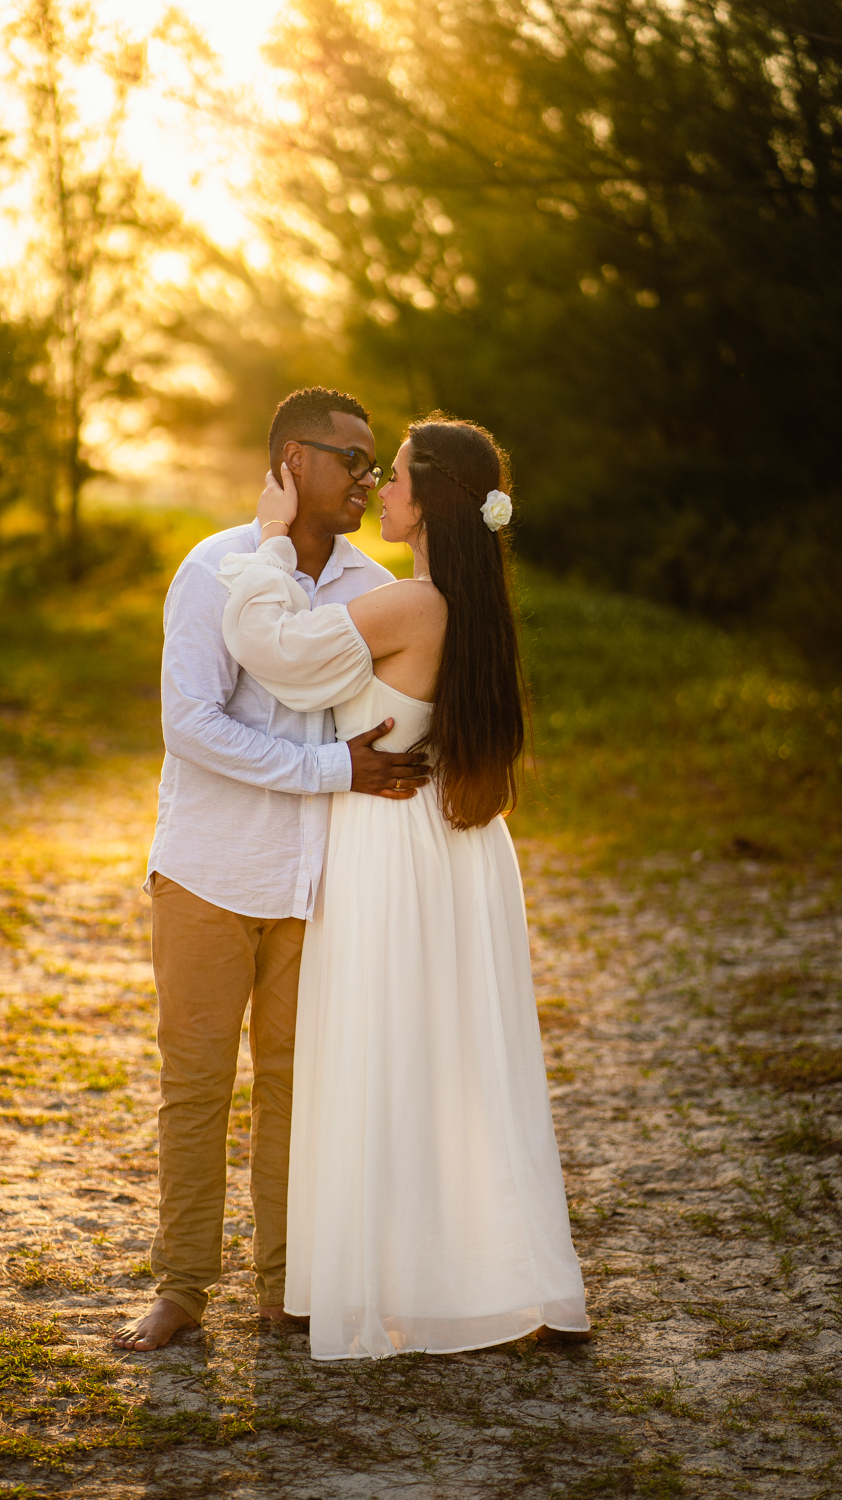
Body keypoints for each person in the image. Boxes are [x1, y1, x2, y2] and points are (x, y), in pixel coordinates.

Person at [217, 413, 590, 1360]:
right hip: (455, 849)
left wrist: (267, 538)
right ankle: (464, 1278)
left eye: (398, 477)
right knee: (451, 1064)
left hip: (392, 846)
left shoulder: (414, 604)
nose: (381, 488)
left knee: (383, 1054)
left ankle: (392, 1283)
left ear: (430, 502)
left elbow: (279, 654)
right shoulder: (465, 603)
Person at [113, 387, 429, 1353]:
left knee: (298, 1087)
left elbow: (390, 724)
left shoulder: (373, 584)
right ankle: (182, 1289)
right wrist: (332, 770)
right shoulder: (213, 569)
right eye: (354, 459)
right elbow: (191, 727)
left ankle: (287, 1288)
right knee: (198, 1084)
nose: (370, 479)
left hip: (317, 882)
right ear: (295, 460)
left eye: (379, 463)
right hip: (210, 871)